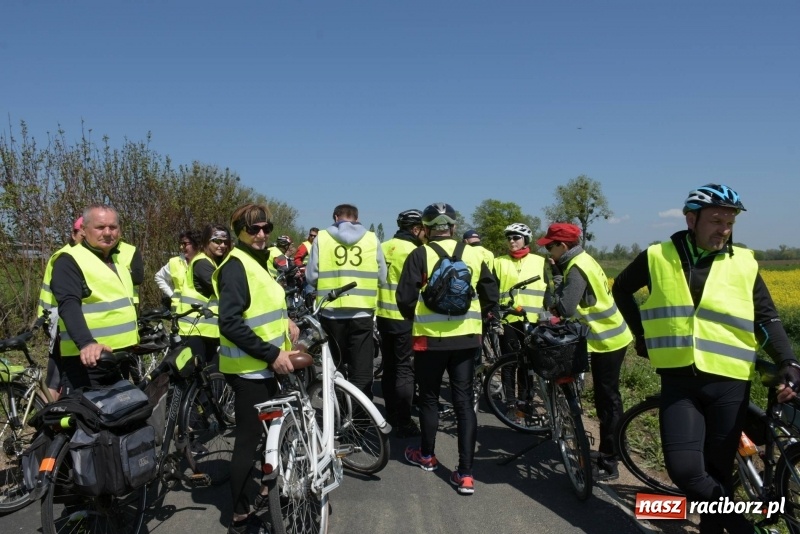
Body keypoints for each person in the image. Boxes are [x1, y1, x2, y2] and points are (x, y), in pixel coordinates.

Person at [612, 184, 799, 534]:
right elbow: (621, 288)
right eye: (716, 221)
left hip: (730, 383)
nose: (724, 230)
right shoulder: (657, 256)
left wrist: (788, 361)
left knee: (718, 471)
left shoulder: (744, 262)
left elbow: (767, 318)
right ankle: (742, 528)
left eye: (729, 223)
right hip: (679, 380)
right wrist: (641, 334)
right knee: (685, 470)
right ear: (691, 220)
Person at [396, 202, 500, 496]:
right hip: (467, 338)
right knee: (464, 402)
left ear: (426, 229)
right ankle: (465, 474)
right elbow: (490, 294)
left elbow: (404, 298)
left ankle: (427, 455)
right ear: (453, 227)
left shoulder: (420, 254)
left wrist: (416, 316)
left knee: (429, 399)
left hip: (429, 339)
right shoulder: (474, 253)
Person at [213, 203, 300, 534]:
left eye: (266, 228)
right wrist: (271, 354)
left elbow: (261, 307)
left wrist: (287, 320)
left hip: (264, 366)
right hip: (249, 369)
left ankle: (266, 490)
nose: (262, 234)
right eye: (254, 229)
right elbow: (231, 323)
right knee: (247, 443)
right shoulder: (236, 266)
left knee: (266, 436)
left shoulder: (258, 261)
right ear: (240, 233)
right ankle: (238, 517)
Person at [538, 222, 632, 481]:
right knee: (608, 399)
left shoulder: (576, 268)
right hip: (610, 336)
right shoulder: (583, 259)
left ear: (562, 246)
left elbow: (565, 308)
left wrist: (555, 287)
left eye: (550, 246)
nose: (548, 252)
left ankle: (610, 461)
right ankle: (612, 448)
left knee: (607, 402)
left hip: (607, 339)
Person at [50, 204, 139, 392]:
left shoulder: (116, 260)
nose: (107, 233)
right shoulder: (69, 260)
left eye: (113, 227)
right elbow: (68, 304)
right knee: (87, 410)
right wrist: (86, 343)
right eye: (100, 227)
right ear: (83, 230)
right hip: (88, 359)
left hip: (118, 356)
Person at [305, 204, 387, 399]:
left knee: (335, 367)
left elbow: (311, 277)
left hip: (331, 312)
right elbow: (382, 277)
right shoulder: (371, 238)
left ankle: (339, 410)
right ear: (357, 219)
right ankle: (361, 413)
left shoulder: (322, 238)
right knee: (362, 369)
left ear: (335, 218)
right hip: (362, 312)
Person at [376, 209, 426, 438]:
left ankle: (391, 413)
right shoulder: (415, 251)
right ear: (415, 229)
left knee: (389, 367)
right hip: (405, 316)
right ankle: (404, 421)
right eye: (423, 229)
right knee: (405, 368)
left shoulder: (383, 246)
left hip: (382, 315)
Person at [492, 223, 549, 422]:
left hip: (532, 321)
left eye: (516, 237)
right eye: (509, 238)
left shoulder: (540, 262)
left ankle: (525, 404)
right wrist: (494, 316)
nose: (511, 241)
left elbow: (548, 292)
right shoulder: (498, 262)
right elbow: (492, 292)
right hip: (508, 320)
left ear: (526, 240)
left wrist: (549, 316)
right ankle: (510, 403)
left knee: (528, 365)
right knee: (509, 363)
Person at [37, 216, 85, 400]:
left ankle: (48, 410)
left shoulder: (72, 255)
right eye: (82, 236)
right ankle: (45, 414)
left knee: (58, 374)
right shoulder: (66, 257)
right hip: (58, 321)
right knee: (56, 377)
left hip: (58, 318)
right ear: (74, 235)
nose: (85, 241)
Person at [177, 224, 231, 368]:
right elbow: (225, 289)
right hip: (195, 329)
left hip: (207, 330)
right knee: (200, 375)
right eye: (217, 241)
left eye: (225, 242)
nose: (222, 245)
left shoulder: (212, 262)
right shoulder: (202, 263)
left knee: (211, 373)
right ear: (207, 241)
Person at [154, 230, 201, 310]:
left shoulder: (205, 262)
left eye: (185, 244)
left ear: (196, 244)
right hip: (179, 310)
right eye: (181, 244)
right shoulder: (174, 262)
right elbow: (159, 277)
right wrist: (172, 294)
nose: (181, 247)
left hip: (200, 309)